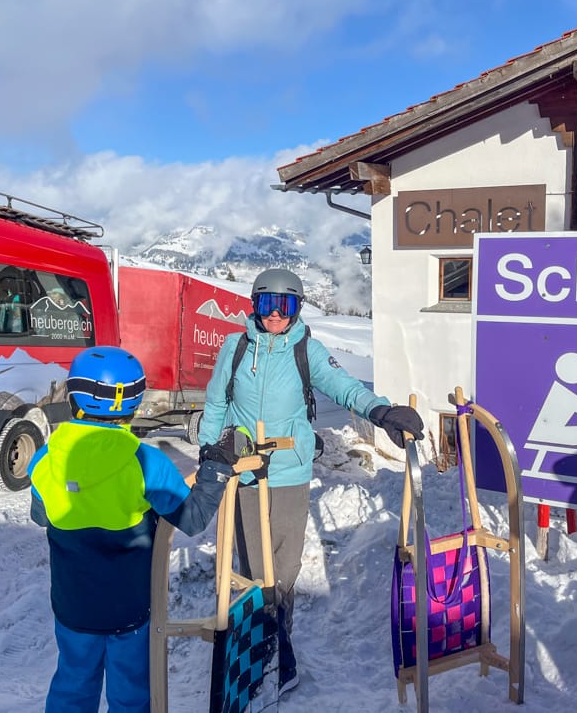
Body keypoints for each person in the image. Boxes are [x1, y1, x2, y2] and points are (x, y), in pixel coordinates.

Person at [198, 267, 424, 695]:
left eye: (284, 306)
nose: (275, 315)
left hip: (290, 473)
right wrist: (210, 453)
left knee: (283, 569)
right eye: (267, 304)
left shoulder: (307, 349)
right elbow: (215, 404)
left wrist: (379, 411)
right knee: (253, 570)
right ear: (254, 304)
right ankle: (257, 648)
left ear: (297, 309)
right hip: (244, 473)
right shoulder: (235, 347)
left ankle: (278, 649)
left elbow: (344, 386)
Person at [29, 346, 240, 713]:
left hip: (72, 605)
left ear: (75, 395)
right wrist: (215, 471)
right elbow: (191, 519)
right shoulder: (146, 462)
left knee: (73, 686)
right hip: (129, 608)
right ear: (134, 400)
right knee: (131, 694)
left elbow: (41, 516)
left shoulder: (44, 457)